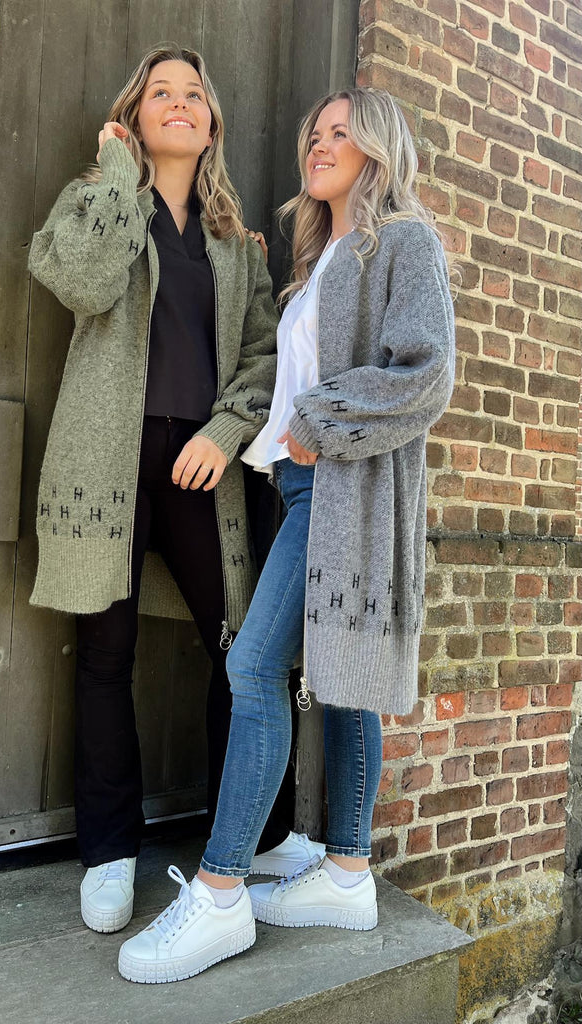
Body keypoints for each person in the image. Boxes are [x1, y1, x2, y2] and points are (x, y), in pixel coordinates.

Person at [117, 85, 457, 984]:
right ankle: (347, 874)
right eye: (315, 133)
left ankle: (222, 890)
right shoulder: (320, 258)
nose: (320, 144)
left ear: (379, 148)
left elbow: (426, 374)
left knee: (253, 667)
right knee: (339, 676)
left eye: (341, 133)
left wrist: (316, 419)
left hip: (345, 489)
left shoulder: (404, 241)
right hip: (306, 486)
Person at [28, 43, 325, 936]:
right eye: (160, 92)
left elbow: (265, 359)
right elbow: (81, 283)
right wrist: (120, 179)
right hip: (106, 464)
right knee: (105, 653)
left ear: (211, 123)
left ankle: (252, 838)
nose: (179, 103)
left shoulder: (236, 244)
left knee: (241, 652)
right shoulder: (95, 201)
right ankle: (110, 853)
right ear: (136, 115)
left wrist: (224, 432)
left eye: (194, 93)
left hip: (202, 467)